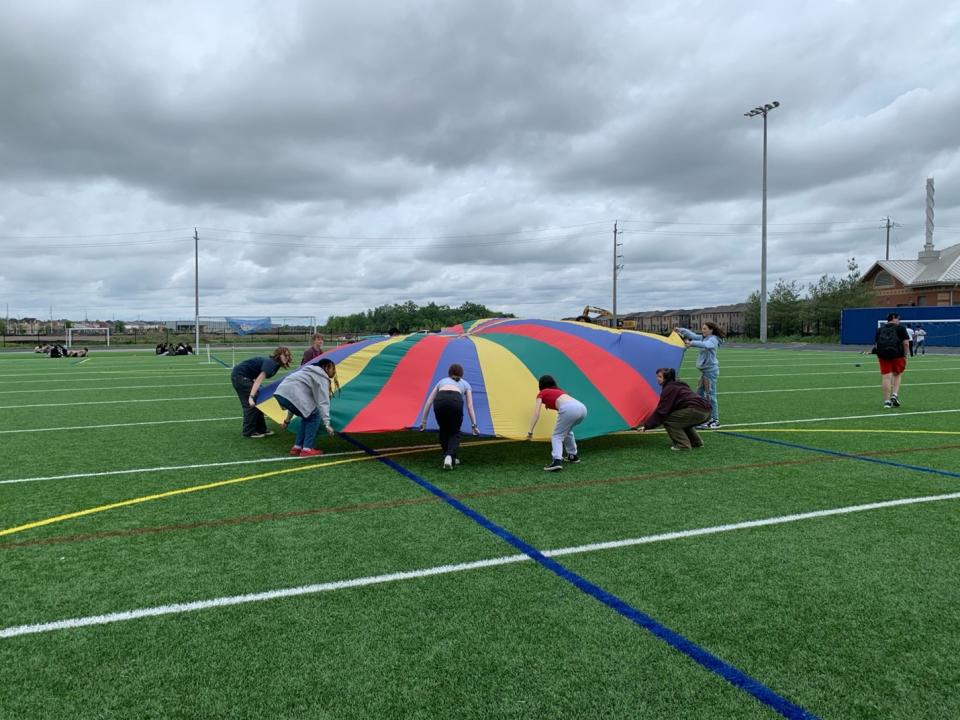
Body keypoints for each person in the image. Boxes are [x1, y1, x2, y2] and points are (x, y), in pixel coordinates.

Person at [419, 363, 479, 470]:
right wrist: (474, 425)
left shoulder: (441, 381)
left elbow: (429, 401)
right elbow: (470, 406)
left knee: (444, 430)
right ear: (462, 374)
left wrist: (424, 422)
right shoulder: (465, 384)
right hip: (455, 401)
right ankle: (449, 456)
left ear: (449, 373)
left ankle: (449, 457)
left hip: (440, 400)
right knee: (454, 432)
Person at [634, 368, 712, 450]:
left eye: (660, 377)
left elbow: (662, 412)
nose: (657, 378)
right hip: (706, 411)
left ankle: (683, 445)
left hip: (695, 410)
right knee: (681, 420)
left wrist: (647, 425)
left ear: (666, 378)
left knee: (669, 420)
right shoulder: (678, 385)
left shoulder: (669, 389)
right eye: (657, 376)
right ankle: (696, 442)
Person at [274, 358, 337, 457]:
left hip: (280, 393)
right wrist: (327, 423)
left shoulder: (307, 371)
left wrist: (287, 421)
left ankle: (297, 447)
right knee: (315, 415)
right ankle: (307, 449)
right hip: (291, 396)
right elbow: (323, 402)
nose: (334, 372)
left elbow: (294, 402)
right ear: (327, 367)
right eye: (333, 368)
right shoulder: (321, 377)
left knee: (307, 415)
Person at [526, 375, 588, 472]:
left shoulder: (542, 393)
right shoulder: (560, 391)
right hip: (582, 408)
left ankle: (557, 461)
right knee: (567, 432)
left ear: (541, 385)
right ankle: (572, 455)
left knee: (557, 436)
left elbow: (536, 413)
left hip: (569, 409)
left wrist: (530, 432)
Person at [230, 346, 292, 438]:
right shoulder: (271, 363)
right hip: (240, 376)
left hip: (246, 377)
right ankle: (249, 432)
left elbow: (256, 374)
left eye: (288, 355)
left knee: (259, 399)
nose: (286, 357)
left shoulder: (276, 364)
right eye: (284, 355)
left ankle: (261, 429)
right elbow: (259, 379)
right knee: (251, 403)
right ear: (278, 355)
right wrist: (251, 397)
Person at [675, 322, 725, 429]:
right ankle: (704, 417)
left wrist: (691, 343)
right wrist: (681, 330)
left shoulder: (713, 339)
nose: (703, 330)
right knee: (699, 394)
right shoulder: (704, 337)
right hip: (705, 372)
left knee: (711, 396)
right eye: (702, 328)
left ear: (711, 330)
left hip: (710, 372)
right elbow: (693, 335)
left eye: (705, 329)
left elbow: (707, 345)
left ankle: (715, 420)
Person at [873, 312, 910, 408]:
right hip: (898, 355)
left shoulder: (880, 329)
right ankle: (894, 394)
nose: (899, 320)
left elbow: (876, 344)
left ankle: (887, 401)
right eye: (898, 318)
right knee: (897, 374)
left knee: (886, 377)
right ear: (894, 318)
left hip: (883, 355)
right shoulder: (901, 328)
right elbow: (906, 343)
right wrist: (905, 355)